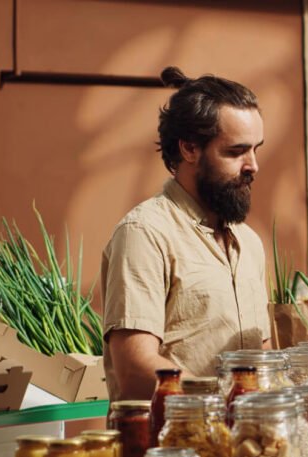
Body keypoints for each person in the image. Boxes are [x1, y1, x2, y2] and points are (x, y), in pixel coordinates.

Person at [100, 67, 271, 400]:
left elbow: (261, 354)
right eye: (236, 152)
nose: (253, 165)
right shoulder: (144, 234)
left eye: (256, 149)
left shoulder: (249, 243)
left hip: (246, 446)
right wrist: (221, 401)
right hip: (170, 446)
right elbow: (135, 368)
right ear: (190, 149)